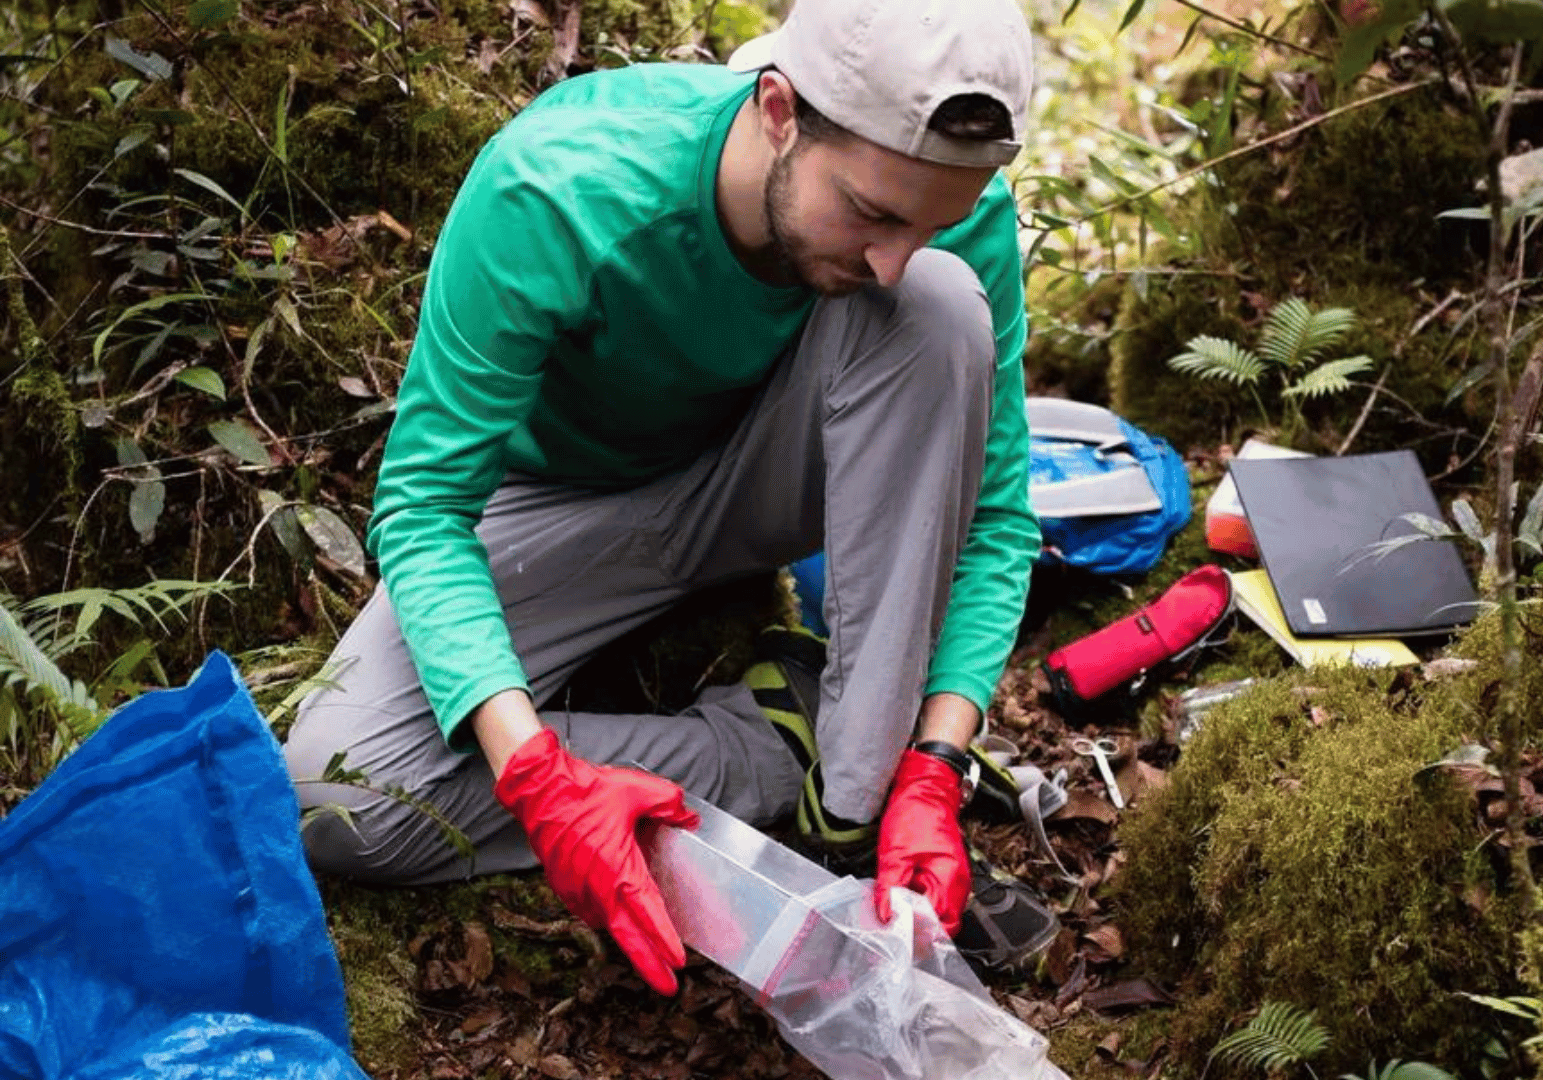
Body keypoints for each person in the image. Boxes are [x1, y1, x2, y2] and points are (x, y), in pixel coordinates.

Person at [280, 0, 1057, 996]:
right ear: (779, 108)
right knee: (334, 794)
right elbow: (426, 509)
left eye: (933, 221)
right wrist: (539, 783)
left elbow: (995, 514)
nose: (891, 258)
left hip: (767, 476)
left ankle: (853, 806)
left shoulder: (948, 217)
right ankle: (774, 747)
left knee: (943, 309)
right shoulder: (561, 187)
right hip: (558, 506)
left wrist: (937, 765)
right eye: (871, 212)